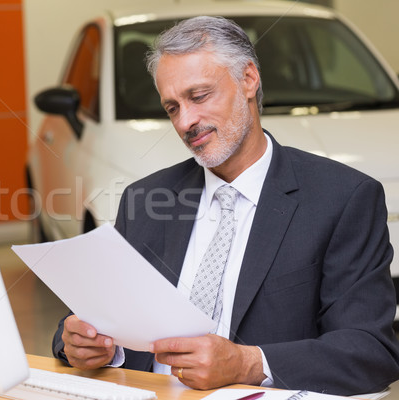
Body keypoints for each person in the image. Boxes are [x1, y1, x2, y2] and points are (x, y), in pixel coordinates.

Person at [52, 16, 399, 395]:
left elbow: (370, 351)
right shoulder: (145, 200)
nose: (186, 122)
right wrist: (80, 343)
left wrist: (248, 364)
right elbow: (86, 318)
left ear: (249, 79)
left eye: (199, 96)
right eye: (172, 107)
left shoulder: (342, 198)